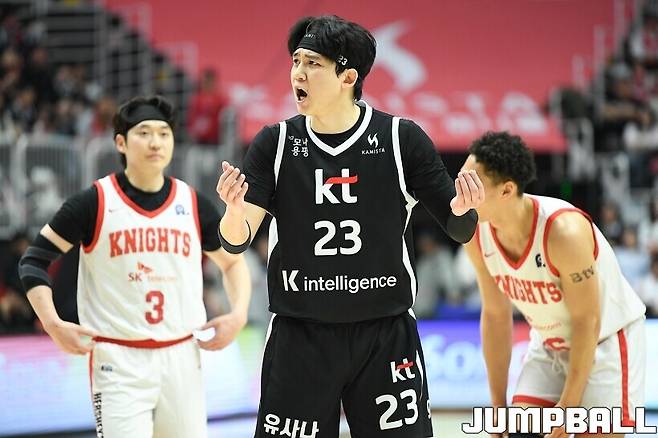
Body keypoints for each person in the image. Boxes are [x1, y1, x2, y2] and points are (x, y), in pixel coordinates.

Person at [216, 15, 484, 438]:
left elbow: (459, 227)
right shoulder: (275, 143)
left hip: (384, 335)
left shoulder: (400, 139)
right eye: (296, 62)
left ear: (348, 76)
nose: (298, 73)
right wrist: (233, 210)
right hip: (300, 336)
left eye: (312, 64)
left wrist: (466, 208)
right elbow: (236, 240)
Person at [18, 95, 251, 438]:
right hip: (118, 360)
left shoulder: (192, 203)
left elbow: (232, 262)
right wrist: (52, 324)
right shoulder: (93, 202)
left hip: (182, 356)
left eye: (164, 133)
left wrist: (239, 313)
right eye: (144, 132)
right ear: (121, 143)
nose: (156, 142)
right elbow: (33, 261)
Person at [462, 131, 646, 438]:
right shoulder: (475, 234)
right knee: (520, 432)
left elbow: (587, 320)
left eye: (472, 184)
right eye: (461, 180)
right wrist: (497, 405)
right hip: (550, 345)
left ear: (507, 190)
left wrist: (569, 405)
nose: (461, 191)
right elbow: (495, 316)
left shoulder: (563, 232)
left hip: (606, 342)